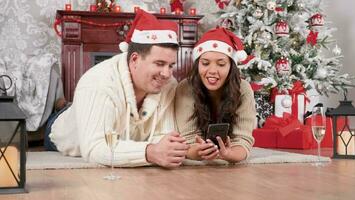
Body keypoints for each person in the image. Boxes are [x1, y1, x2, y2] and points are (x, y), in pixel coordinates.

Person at [46, 10, 189, 168]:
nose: (167, 74)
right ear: (134, 59)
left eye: (171, 65)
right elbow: (94, 148)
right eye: (159, 64)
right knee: (71, 117)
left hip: (120, 129)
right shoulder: (97, 81)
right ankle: (65, 107)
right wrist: (149, 152)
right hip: (64, 135)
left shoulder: (169, 84)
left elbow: (163, 135)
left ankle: (68, 104)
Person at [174, 27, 256, 163]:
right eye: (205, 63)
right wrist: (197, 151)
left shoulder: (243, 89)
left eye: (221, 64)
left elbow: (243, 140)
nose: (212, 71)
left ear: (231, 67)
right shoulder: (186, 87)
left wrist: (230, 154)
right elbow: (187, 140)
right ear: (197, 64)